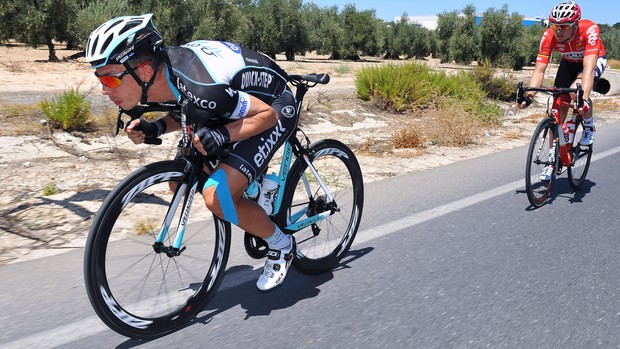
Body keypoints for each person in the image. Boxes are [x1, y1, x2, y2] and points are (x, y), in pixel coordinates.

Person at [85, 14, 297, 291]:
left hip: (273, 104)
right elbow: (186, 109)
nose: (103, 90)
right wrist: (156, 128)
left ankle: (281, 245)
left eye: (110, 80)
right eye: (98, 79)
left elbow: (266, 116)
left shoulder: (202, 87)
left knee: (217, 198)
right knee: (179, 181)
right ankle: (255, 192)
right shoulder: (155, 79)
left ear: (145, 72)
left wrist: (223, 134)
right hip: (229, 101)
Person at [517, 1, 607, 180]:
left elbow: (588, 70)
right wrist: (529, 96)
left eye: (564, 26)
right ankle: (553, 161)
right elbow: (539, 70)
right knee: (556, 111)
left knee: (575, 91)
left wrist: (583, 97)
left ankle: (589, 125)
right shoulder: (548, 35)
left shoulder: (589, 30)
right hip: (568, 64)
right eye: (555, 25)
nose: (558, 30)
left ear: (575, 25)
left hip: (592, 60)